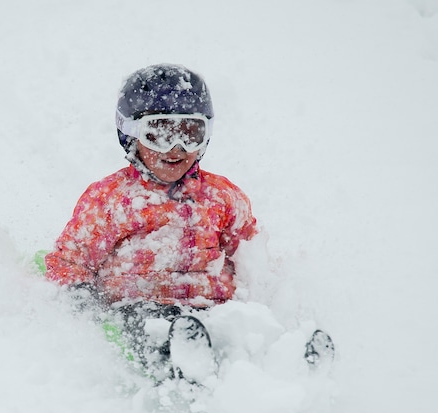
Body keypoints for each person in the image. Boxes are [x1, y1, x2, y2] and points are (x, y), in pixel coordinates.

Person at [45, 64, 332, 380]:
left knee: (238, 328)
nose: (176, 148)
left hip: (211, 306)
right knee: (148, 329)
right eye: (160, 134)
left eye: (189, 134)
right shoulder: (110, 198)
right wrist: (81, 298)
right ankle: (184, 372)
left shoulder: (222, 196)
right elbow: (71, 260)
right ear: (130, 133)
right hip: (139, 304)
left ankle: (284, 363)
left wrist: (268, 296)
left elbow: (251, 257)